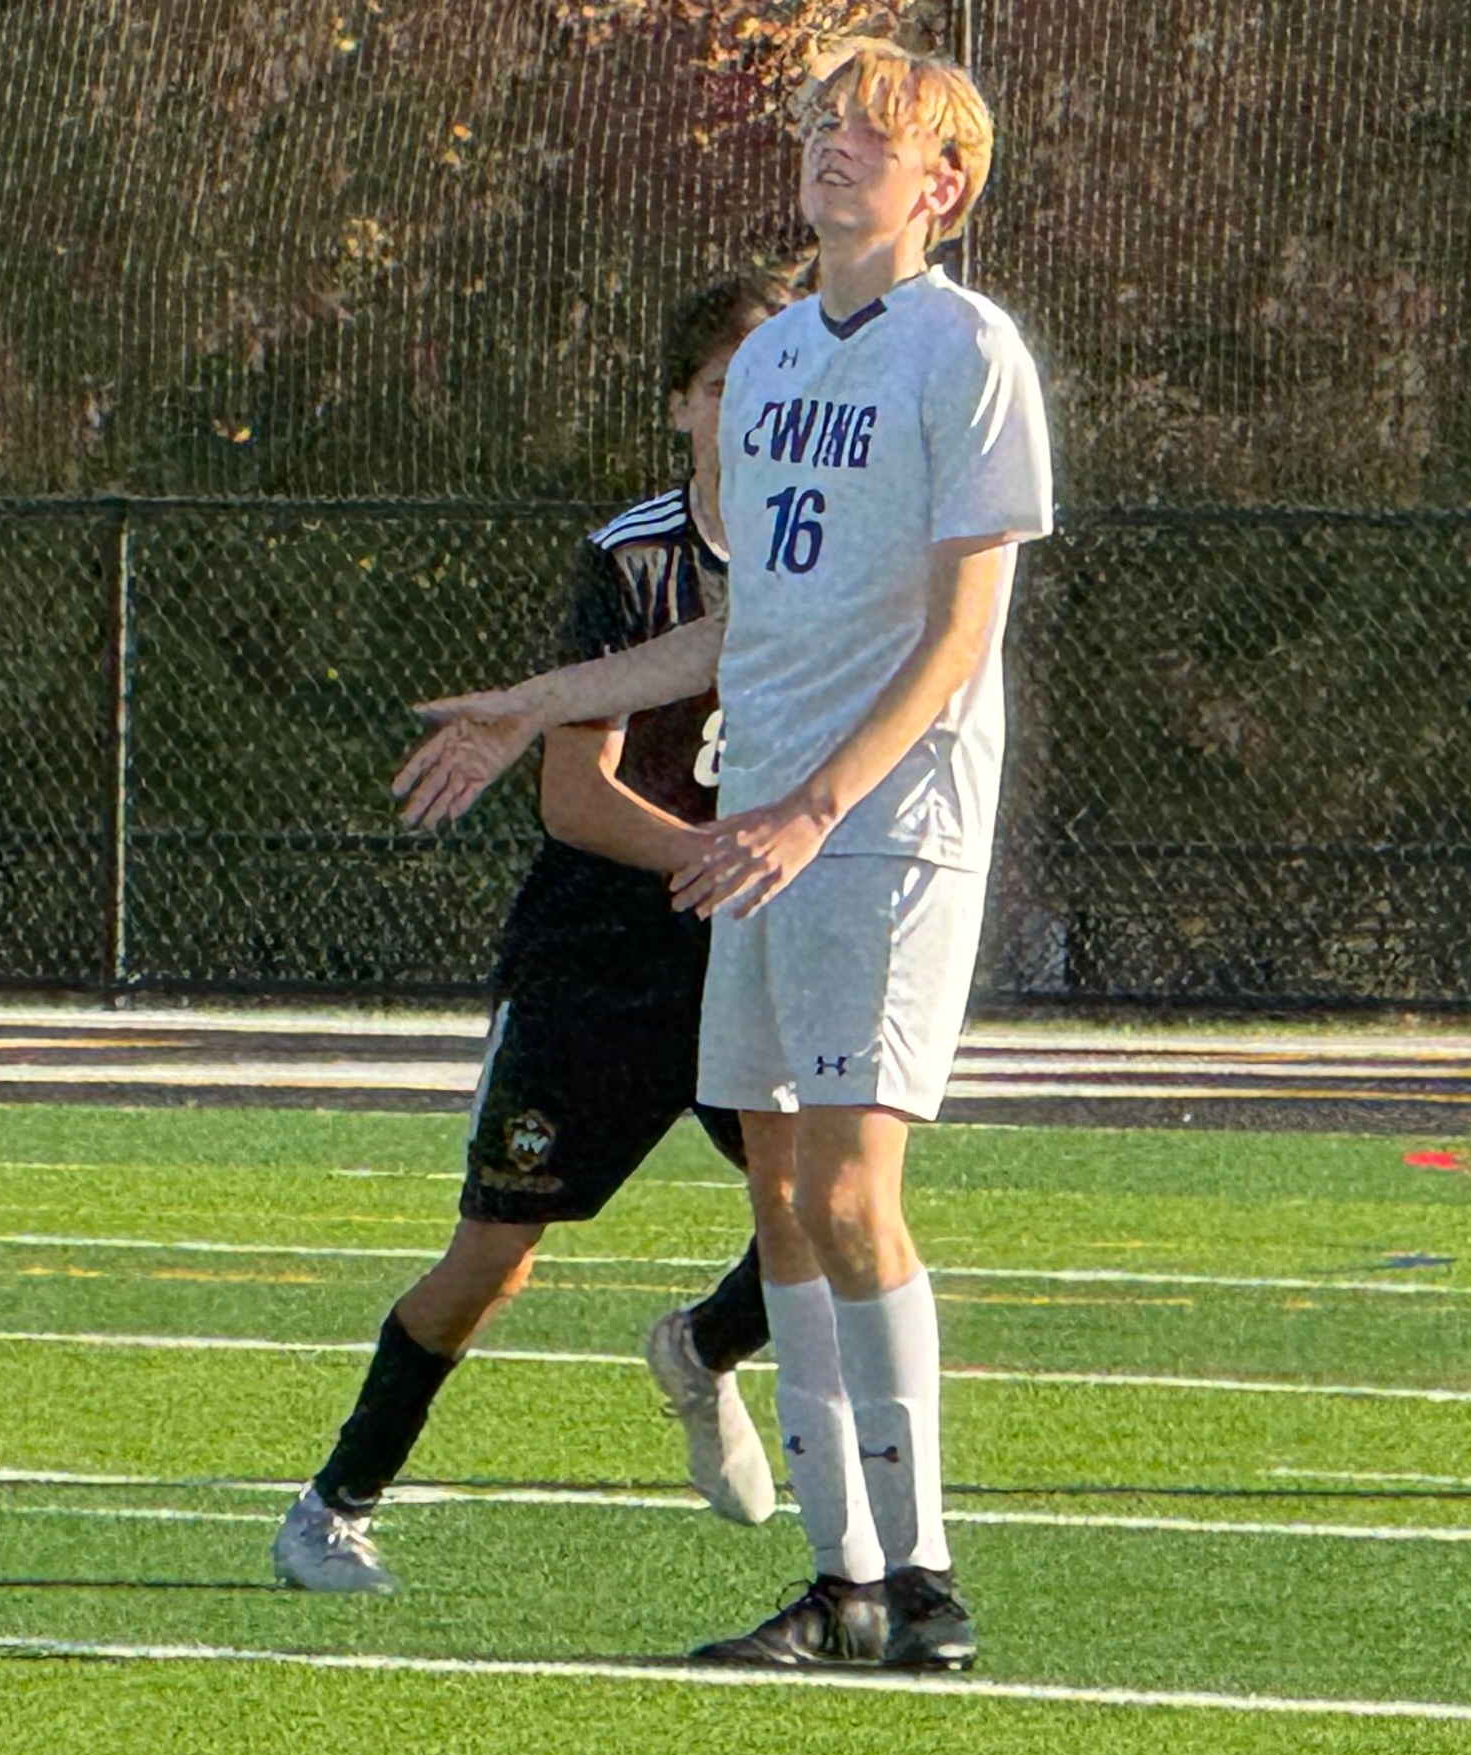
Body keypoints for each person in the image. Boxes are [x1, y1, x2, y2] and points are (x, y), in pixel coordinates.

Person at [401, 39, 1050, 1671]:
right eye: (821, 126)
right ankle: (842, 1584)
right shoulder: (766, 373)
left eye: (869, 135)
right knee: (784, 1203)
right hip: (758, 825)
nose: (832, 152)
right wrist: (534, 703)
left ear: (941, 184)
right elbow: (739, 621)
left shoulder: (966, 351)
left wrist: (821, 802)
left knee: (844, 1189)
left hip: (875, 827)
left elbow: (963, 626)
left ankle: (925, 1581)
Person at [273, 272, 798, 1596]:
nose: (752, 410)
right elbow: (576, 798)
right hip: (608, 954)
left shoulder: (827, 551)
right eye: (728, 384)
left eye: (776, 384)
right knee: (492, 1262)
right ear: (684, 403)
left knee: (819, 1217)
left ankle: (700, 1352)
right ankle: (334, 1502)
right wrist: (710, 855)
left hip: (750, 939)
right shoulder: (636, 559)